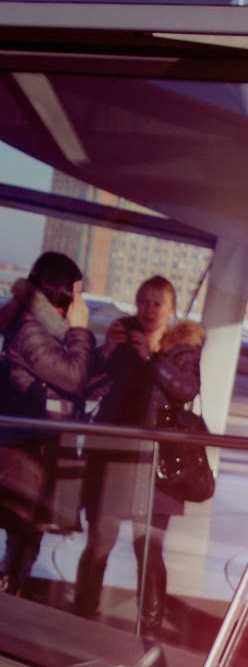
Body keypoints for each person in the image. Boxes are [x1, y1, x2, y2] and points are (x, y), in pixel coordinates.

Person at [73, 274, 205, 635]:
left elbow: (186, 389)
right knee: (100, 538)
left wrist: (152, 356)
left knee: (148, 548)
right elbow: (90, 381)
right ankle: (82, 612)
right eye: (143, 302)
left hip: (155, 464)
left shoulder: (183, 348)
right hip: (114, 456)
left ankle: (149, 627)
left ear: (171, 308)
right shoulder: (123, 337)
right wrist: (106, 352)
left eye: (157, 304)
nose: (148, 310)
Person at [0, 251, 94, 597]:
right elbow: (72, 376)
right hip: (26, 454)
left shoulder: (42, 329)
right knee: (22, 541)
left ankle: (9, 601)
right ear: (61, 289)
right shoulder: (31, 331)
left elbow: (77, 377)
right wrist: (81, 331)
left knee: (25, 539)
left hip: (34, 449)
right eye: (77, 290)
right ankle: (8, 606)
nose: (80, 300)